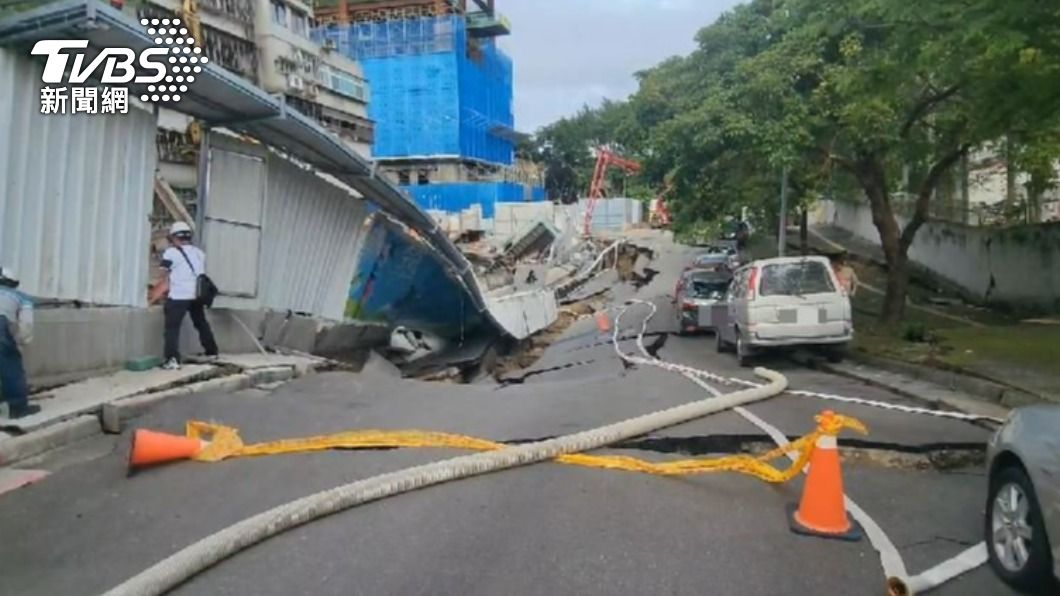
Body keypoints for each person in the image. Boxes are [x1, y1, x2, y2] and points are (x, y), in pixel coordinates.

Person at [154, 222, 218, 370]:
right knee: (201, 323)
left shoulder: (171, 253)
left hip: (178, 296)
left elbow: (163, 272)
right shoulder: (199, 253)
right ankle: (212, 352)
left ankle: (172, 359)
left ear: (174, 237)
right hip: (196, 295)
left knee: (172, 328)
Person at [0, 265, 40, 419]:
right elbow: (27, 324)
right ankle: (17, 408)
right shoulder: (21, 297)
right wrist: (22, 342)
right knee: (12, 368)